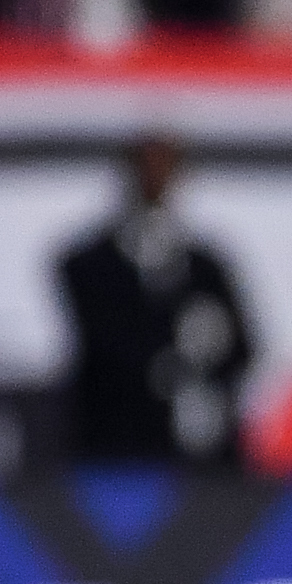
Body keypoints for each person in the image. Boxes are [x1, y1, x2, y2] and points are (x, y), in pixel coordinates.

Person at [54, 134, 256, 466]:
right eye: (145, 167)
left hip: (201, 460)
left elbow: (243, 349)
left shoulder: (207, 267)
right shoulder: (86, 265)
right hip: (115, 449)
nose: (155, 179)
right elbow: (104, 348)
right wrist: (170, 363)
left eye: (165, 168)